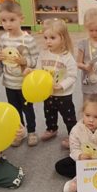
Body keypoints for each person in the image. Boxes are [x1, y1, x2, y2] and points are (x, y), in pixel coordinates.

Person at [55, 93, 97, 192]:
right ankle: (91, 175)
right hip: (83, 160)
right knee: (60, 166)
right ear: (82, 113)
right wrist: (80, 156)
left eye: (96, 117)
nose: (91, 120)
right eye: (87, 115)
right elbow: (74, 149)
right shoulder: (76, 129)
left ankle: (80, 179)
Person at [0, 0, 39, 147]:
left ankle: (32, 131)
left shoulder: (29, 40)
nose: (8, 24)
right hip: (9, 83)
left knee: (28, 109)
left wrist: (24, 61)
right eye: (4, 21)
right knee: (14, 110)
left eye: (12, 20)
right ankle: (19, 132)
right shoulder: (3, 39)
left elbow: (36, 60)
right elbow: (2, 57)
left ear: (21, 19)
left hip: (25, 84)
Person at [37, 18, 77, 146]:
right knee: (49, 113)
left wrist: (61, 85)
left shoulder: (67, 57)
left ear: (63, 38)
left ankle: (73, 136)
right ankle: (51, 129)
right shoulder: (43, 54)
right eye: (45, 37)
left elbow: (72, 76)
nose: (48, 41)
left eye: (52, 38)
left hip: (63, 95)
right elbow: (39, 70)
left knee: (69, 117)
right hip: (48, 93)